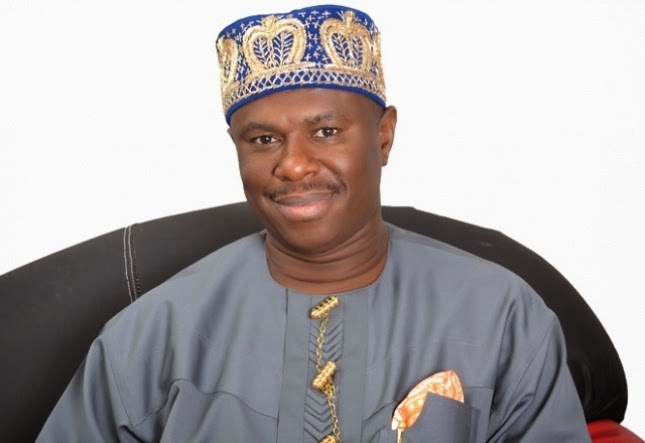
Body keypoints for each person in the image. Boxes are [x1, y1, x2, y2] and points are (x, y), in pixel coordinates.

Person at [36, 4, 590, 442]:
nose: (294, 164)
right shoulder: (151, 336)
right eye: (263, 139)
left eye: (326, 132)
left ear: (383, 136)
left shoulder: (500, 314)